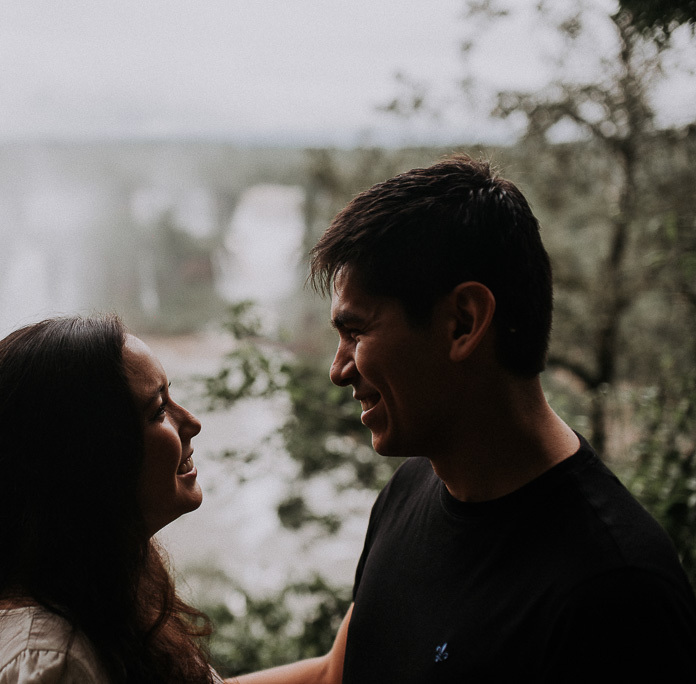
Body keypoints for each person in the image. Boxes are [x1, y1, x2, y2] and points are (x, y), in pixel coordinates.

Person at [231, 155, 696, 683]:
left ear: (463, 323)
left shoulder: (617, 592)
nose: (338, 370)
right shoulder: (410, 491)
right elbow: (336, 675)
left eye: (356, 332)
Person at [0, 314, 221, 683]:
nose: (191, 421)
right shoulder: (51, 666)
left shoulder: (96, 602)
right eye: (158, 410)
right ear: (88, 459)